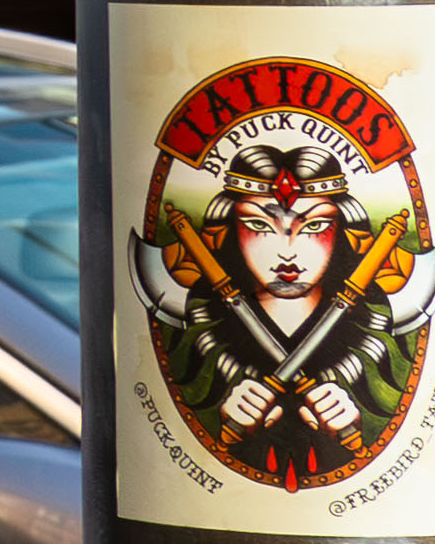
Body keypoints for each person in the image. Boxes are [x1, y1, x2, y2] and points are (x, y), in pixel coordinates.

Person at [159, 135, 417, 490]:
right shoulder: (199, 335)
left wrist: (357, 421)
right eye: (258, 226)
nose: (287, 254)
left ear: (343, 231)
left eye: (314, 226)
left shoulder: (376, 338)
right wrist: (224, 418)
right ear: (228, 232)